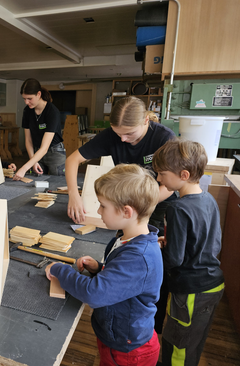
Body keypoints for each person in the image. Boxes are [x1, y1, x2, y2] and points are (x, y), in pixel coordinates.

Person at [66, 96, 175, 333]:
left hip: (157, 205)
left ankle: (150, 329)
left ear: (146, 120)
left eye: (129, 134)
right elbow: (73, 159)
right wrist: (74, 195)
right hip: (129, 208)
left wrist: (138, 207)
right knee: (121, 253)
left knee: (153, 268)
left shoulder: (164, 138)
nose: (123, 140)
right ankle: (114, 305)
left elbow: (169, 185)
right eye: (118, 135)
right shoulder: (112, 135)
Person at [46, 164, 163, 366]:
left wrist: (58, 269)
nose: (98, 210)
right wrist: (99, 269)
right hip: (117, 337)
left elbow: (94, 294)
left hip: (128, 352)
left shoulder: (139, 257)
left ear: (126, 211)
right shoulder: (126, 238)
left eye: (103, 206)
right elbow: (122, 281)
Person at [152, 139, 224, 366]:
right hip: (213, 283)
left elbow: (174, 259)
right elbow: (209, 240)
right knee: (194, 341)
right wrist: (171, 241)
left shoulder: (177, 208)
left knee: (177, 343)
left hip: (191, 289)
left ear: (183, 174)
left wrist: (153, 255)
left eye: (162, 174)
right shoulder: (208, 199)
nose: (159, 179)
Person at [13, 78, 66, 180]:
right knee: (36, 183)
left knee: (58, 183)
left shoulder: (52, 111)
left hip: (55, 152)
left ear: (38, 94)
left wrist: (24, 168)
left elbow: (45, 147)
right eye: (24, 99)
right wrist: (33, 160)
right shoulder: (27, 111)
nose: (26, 102)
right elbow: (28, 140)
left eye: (29, 98)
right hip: (37, 152)